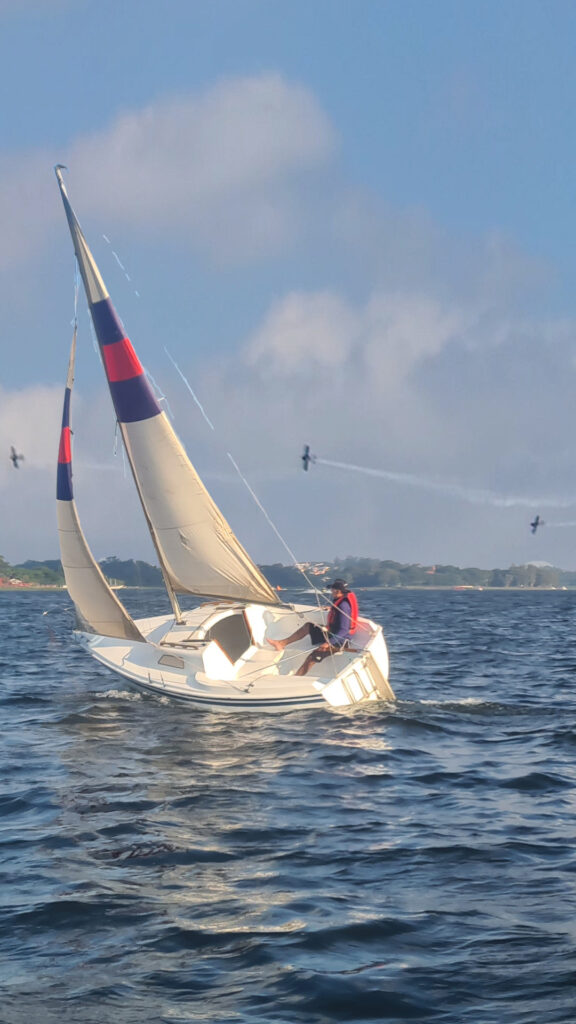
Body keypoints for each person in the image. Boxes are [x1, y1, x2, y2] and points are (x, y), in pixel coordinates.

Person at [268, 579, 358, 676]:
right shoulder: (339, 602)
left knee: (313, 656)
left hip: (339, 641)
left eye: (332, 590)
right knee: (308, 626)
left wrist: (327, 644)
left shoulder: (343, 606)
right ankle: (281, 643)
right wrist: (331, 608)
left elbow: (343, 630)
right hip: (332, 633)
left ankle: (296, 677)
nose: (331, 592)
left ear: (338, 591)